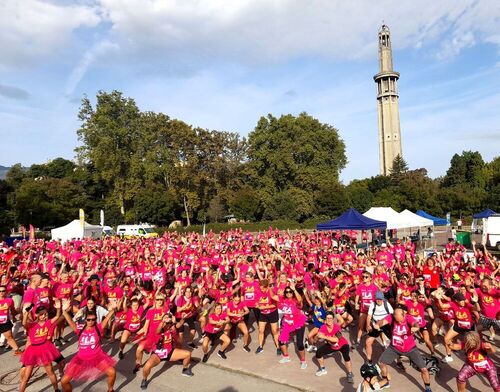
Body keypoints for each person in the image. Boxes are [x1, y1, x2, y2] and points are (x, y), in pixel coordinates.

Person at [61, 301, 117, 392]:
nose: (91, 321)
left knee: (112, 373)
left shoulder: (98, 328)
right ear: (85, 320)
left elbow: (107, 318)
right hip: (81, 358)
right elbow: (70, 321)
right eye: (89, 319)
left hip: (97, 357)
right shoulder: (80, 329)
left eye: (93, 319)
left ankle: (110, 390)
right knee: (64, 381)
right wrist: (63, 311)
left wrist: (113, 309)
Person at [378, 304, 433, 392]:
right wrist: (378, 324)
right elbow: (382, 322)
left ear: (404, 315)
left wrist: (416, 328)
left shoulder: (409, 318)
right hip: (394, 348)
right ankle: (385, 381)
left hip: (411, 349)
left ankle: (427, 388)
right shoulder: (391, 317)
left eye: (400, 320)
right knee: (382, 363)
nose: (399, 323)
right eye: (397, 320)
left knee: (424, 370)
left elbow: (415, 324)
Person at [140, 312, 193, 389]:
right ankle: (144, 379)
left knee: (188, 354)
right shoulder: (160, 328)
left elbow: (179, 324)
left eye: (168, 318)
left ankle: (185, 369)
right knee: (147, 366)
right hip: (158, 354)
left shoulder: (172, 327)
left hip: (169, 352)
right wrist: (163, 321)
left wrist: (183, 318)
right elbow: (157, 331)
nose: (167, 320)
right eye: (165, 318)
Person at [19, 303, 64, 392]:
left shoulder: (48, 322)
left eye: (45, 314)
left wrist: (58, 308)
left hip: (45, 348)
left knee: (50, 371)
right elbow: (24, 323)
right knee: (26, 376)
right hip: (33, 350)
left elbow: (57, 316)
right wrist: (27, 312)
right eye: (41, 314)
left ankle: (56, 389)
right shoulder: (32, 325)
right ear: (36, 315)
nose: (44, 316)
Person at [314, 312, 354, 383]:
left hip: (342, 344)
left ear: (333, 319)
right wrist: (316, 338)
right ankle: (323, 369)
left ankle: (350, 373)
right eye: (327, 318)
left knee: (346, 356)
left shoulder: (337, 327)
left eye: (331, 318)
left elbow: (336, 340)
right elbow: (317, 337)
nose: (329, 320)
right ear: (325, 320)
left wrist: (323, 336)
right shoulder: (323, 327)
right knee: (318, 353)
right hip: (331, 345)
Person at [277, 283, 307, 368]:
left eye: (290, 292)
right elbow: (273, 297)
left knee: (299, 344)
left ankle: (303, 361)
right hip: (287, 323)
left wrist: (294, 289)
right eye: (286, 292)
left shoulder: (295, 301)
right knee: (281, 340)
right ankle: (286, 357)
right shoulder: (282, 301)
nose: (288, 293)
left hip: (298, 322)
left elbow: (300, 300)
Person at [365, 291, 393, 364]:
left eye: (380, 299)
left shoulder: (387, 304)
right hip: (376, 325)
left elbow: (392, 315)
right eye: (377, 299)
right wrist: (368, 325)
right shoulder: (372, 304)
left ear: (383, 299)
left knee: (394, 342)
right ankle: (369, 360)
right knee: (368, 342)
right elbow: (369, 316)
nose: (379, 301)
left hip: (386, 324)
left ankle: (399, 361)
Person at [255, 279, 280, 355]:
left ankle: (278, 347)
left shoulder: (271, 292)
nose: (261, 290)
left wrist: (265, 307)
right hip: (263, 314)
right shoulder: (259, 292)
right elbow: (256, 302)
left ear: (267, 287)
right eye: (260, 288)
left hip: (272, 313)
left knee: (274, 331)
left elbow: (275, 305)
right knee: (261, 330)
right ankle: (260, 346)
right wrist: (257, 305)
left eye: (263, 288)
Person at [0, 284, 22, 354]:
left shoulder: (9, 300)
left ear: (6, 292)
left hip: (5, 322)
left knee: (9, 337)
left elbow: (13, 311)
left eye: (3, 291)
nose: (1, 293)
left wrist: (17, 313)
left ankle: (17, 351)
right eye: (0, 291)